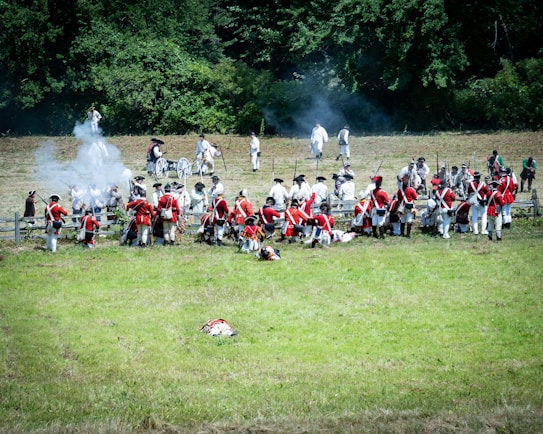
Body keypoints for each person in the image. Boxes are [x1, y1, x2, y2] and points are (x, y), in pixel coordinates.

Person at [397, 173, 418, 238]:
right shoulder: (411, 189)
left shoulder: (399, 190)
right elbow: (415, 198)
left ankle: (402, 233)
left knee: (402, 220)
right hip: (409, 206)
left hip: (403, 206)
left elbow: (399, 199)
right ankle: (408, 234)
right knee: (409, 221)